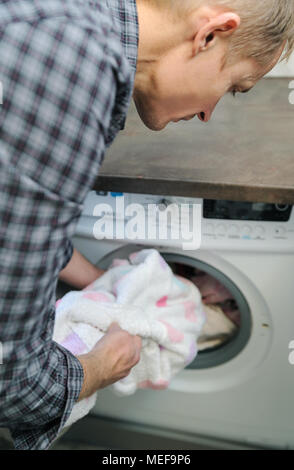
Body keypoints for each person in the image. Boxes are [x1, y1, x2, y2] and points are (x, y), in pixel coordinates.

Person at [0, 0, 293, 450]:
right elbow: (12, 382)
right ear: (210, 34)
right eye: (234, 85)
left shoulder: (64, 21)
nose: (208, 113)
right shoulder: (77, 63)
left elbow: (14, 220)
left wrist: (104, 278)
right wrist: (99, 368)